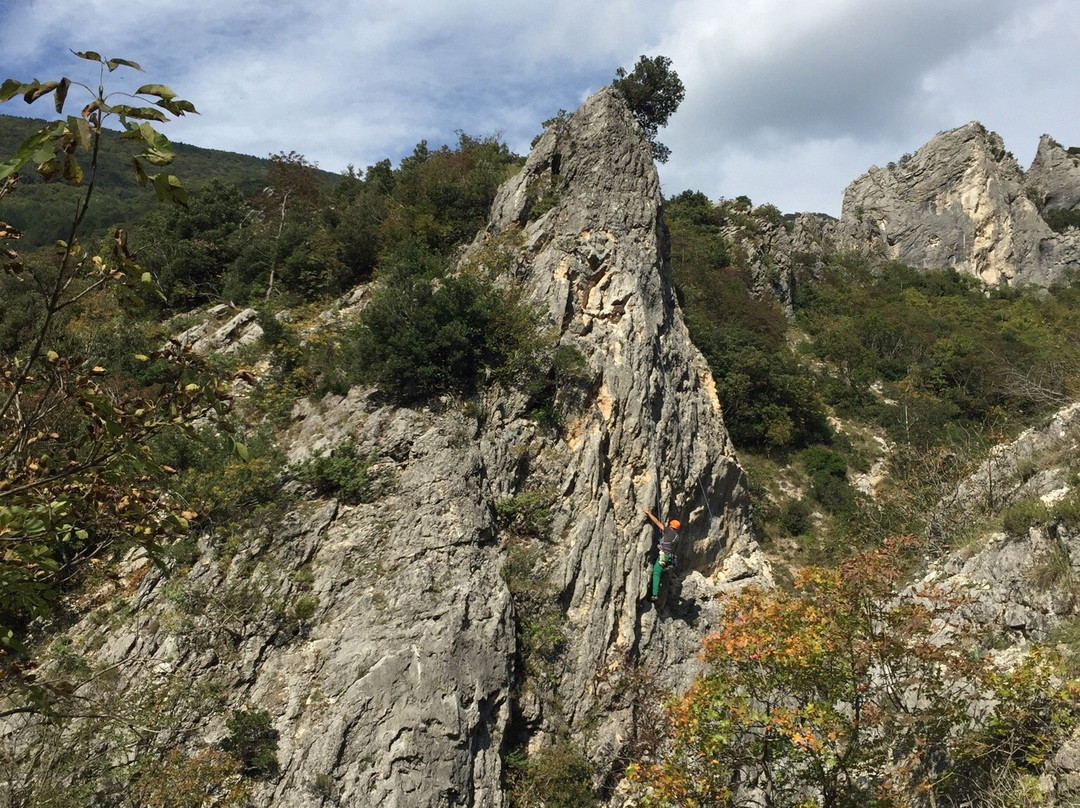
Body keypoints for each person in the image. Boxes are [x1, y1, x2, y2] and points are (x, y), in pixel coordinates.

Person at [643, 508, 680, 600]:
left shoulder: (668, 531)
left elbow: (657, 522)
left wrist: (649, 513)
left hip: (664, 555)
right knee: (660, 571)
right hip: (669, 557)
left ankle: (654, 594)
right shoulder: (677, 537)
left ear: (670, 525)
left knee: (656, 573)